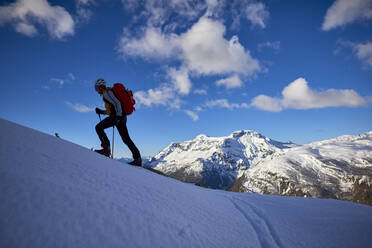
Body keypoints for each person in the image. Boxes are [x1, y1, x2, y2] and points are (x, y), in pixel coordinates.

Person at [94, 78, 142, 166]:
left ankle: (106, 149)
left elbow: (117, 104)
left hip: (117, 117)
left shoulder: (107, 93)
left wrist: (118, 116)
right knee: (126, 139)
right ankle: (137, 159)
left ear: (100, 87)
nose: (97, 91)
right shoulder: (108, 93)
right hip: (122, 117)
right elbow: (111, 109)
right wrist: (102, 111)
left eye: (96, 88)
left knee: (98, 127)